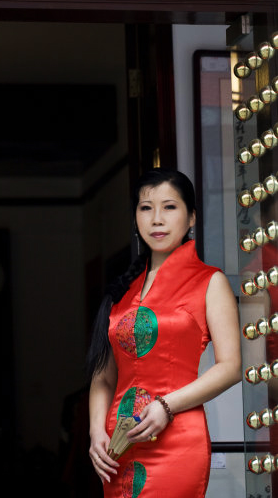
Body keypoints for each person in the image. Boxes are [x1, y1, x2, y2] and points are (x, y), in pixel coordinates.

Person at [87, 167, 241, 498]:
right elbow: (103, 377)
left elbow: (230, 367)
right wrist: (96, 431)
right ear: (135, 218)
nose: (157, 219)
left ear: (191, 217)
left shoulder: (209, 282)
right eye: (146, 208)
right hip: (118, 444)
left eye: (169, 207)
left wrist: (166, 406)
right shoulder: (122, 291)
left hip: (176, 436)